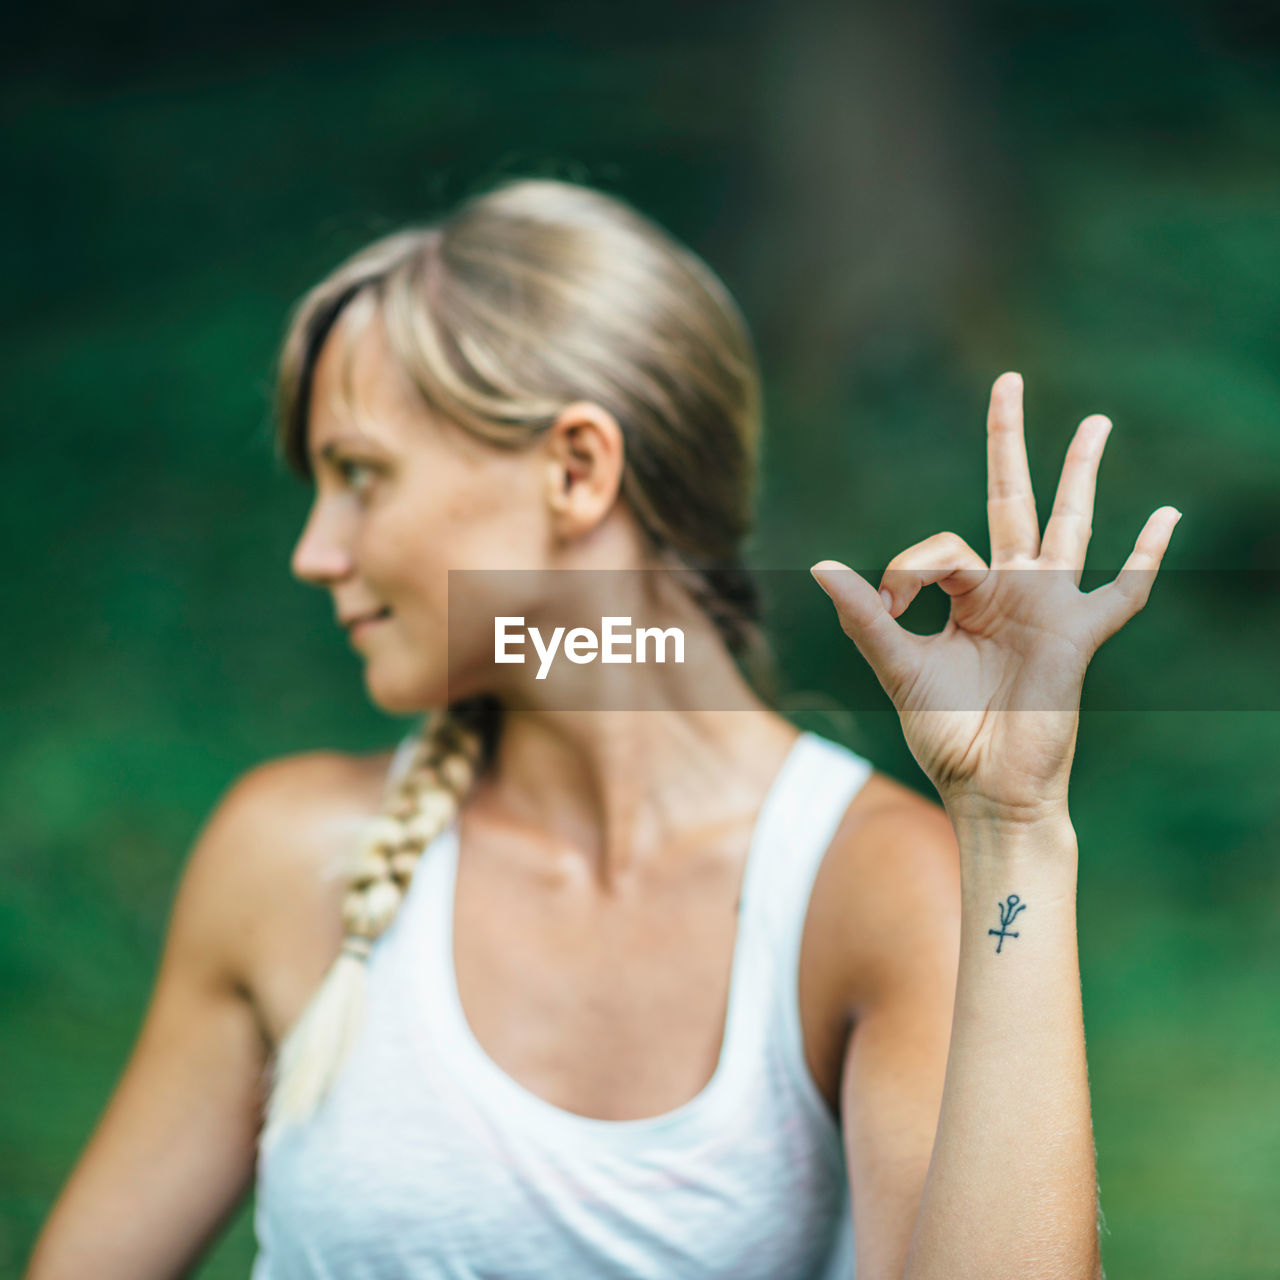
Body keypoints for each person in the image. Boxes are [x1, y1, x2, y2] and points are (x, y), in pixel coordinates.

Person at [24, 177, 1178, 1280]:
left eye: (360, 474)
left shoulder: (865, 889)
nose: (315, 550)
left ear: (575, 469)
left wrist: (1013, 822)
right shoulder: (286, 855)